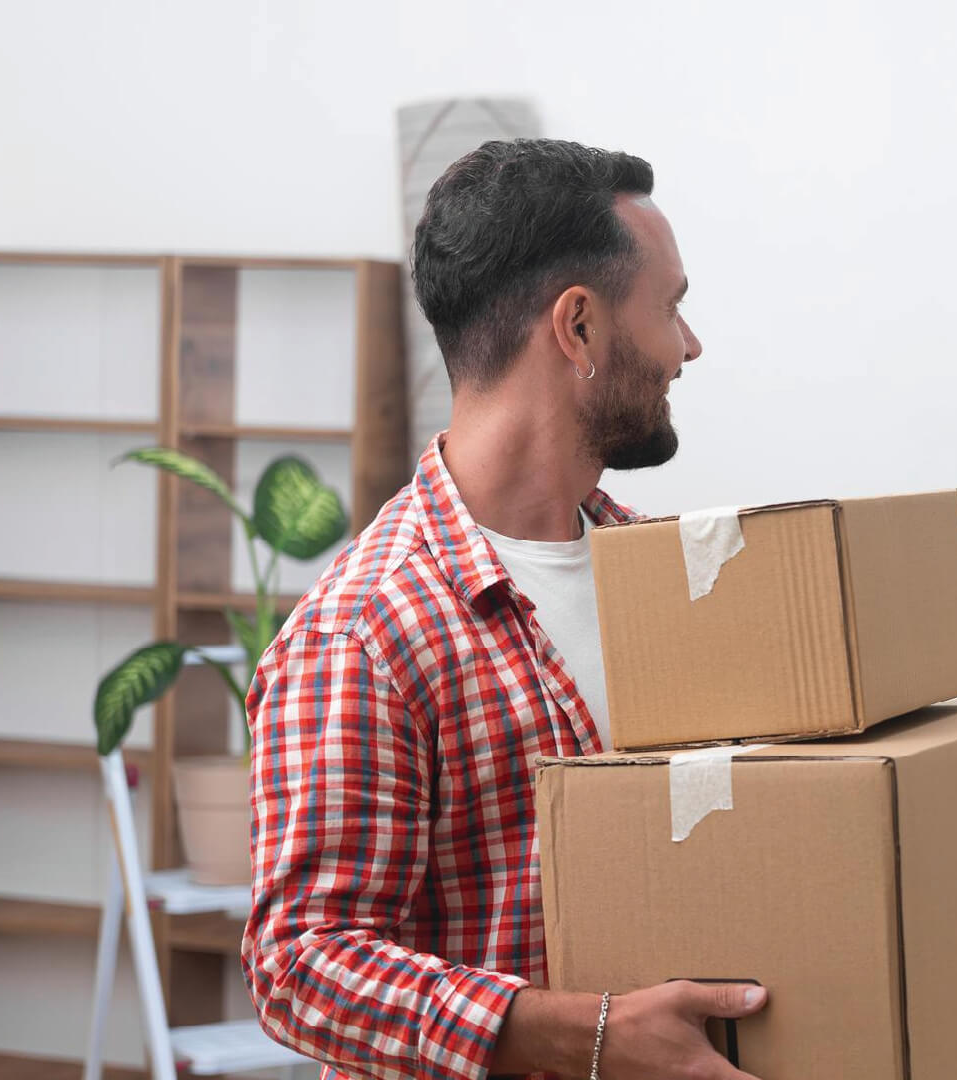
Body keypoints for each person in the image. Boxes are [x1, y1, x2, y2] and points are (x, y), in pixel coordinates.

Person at [243, 138, 768, 1080]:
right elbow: (300, 965)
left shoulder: (670, 581)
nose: (690, 347)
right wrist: (591, 1036)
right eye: (672, 306)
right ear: (578, 327)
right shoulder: (364, 631)